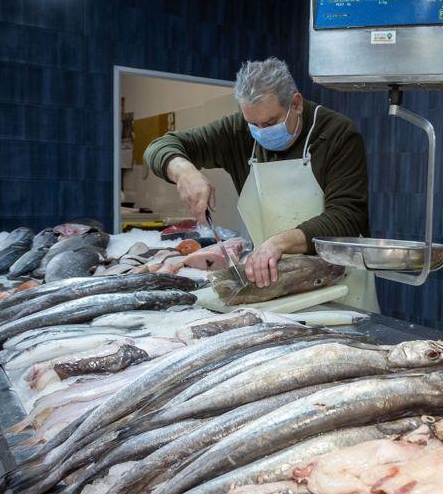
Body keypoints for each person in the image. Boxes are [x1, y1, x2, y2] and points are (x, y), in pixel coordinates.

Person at [144, 58, 377, 311]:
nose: (261, 132)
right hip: (274, 287)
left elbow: (347, 216)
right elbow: (159, 147)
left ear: (296, 104)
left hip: (341, 288)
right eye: (252, 124)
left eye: (269, 123)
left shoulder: (338, 134)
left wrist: (278, 243)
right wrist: (184, 171)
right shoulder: (238, 131)